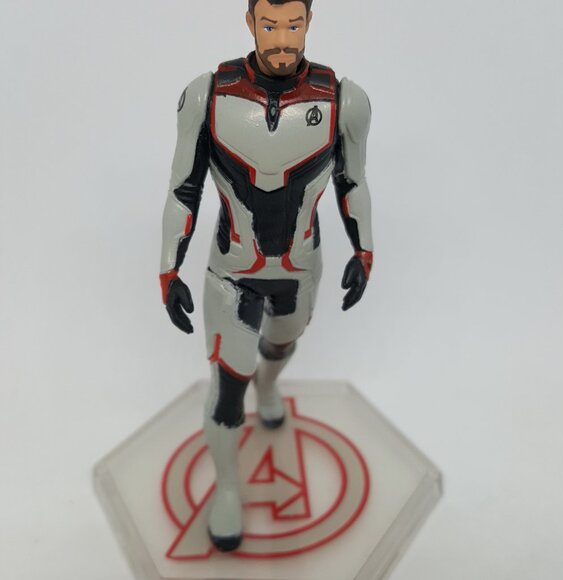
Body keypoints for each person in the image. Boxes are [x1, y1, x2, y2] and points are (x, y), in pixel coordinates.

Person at [159, 0, 374, 552]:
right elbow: (184, 187)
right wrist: (169, 268)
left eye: (293, 25)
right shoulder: (208, 95)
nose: (282, 39)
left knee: (281, 344)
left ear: (309, 23)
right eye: (271, 25)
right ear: (250, 23)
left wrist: (364, 250)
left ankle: (271, 385)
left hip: (300, 267)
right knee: (228, 386)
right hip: (232, 271)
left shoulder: (342, 100)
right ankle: (228, 488)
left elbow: (353, 181)